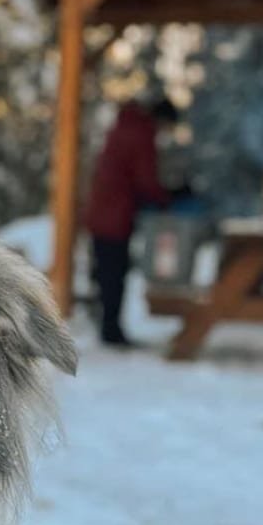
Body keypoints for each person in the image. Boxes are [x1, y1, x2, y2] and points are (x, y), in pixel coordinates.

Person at [85, 96, 181, 347]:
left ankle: (105, 323)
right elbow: (145, 179)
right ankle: (111, 330)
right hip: (116, 214)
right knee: (114, 273)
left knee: (105, 271)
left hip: (101, 210)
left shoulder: (123, 127)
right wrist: (167, 198)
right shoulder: (142, 134)